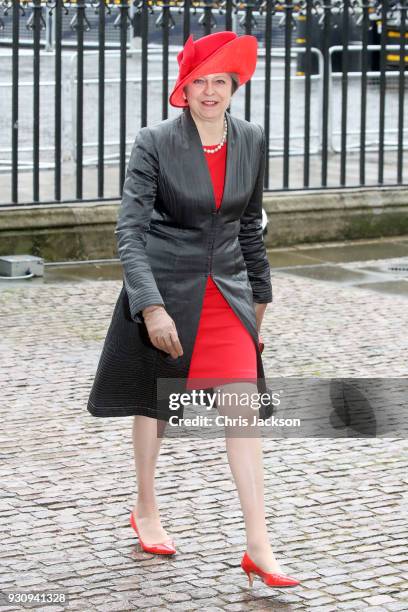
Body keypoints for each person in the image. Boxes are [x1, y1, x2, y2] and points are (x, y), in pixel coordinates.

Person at [87, 31, 300, 589]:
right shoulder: (155, 141)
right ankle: (147, 507)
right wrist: (149, 306)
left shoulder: (251, 139)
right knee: (156, 405)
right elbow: (129, 232)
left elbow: (250, 225)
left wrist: (260, 300)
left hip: (226, 291)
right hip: (165, 289)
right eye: (199, 81)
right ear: (183, 89)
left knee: (242, 412)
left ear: (235, 86)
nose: (210, 91)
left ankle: (258, 543)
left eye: (220, 81)